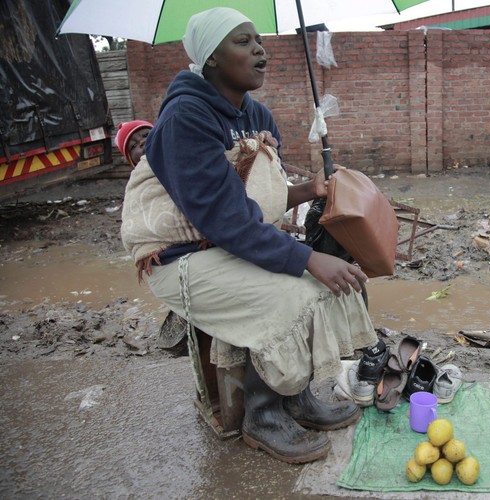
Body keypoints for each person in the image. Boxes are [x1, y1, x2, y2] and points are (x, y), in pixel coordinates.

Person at [120, 7, 379, 464]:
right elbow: (225, 217)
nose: (260, 49)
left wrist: (310, 188)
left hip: (227, 241)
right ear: (211, 58)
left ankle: (295, 398)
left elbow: (262, 198)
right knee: (289, 293)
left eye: (258, 40)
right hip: (181, 256)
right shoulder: (185, 117)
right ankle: (263, 416)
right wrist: (307, 259)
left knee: (318, 284)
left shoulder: (255, 112)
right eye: (243, 41)